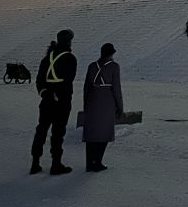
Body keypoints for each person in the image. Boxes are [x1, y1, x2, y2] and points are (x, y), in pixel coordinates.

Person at [30, 29, 77, 175]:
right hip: (61, 102)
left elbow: (39, 80)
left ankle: (35, 163)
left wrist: (46, 93)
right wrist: (58, 95)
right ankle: (56, 164)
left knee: (41, 129)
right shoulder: (70, 58)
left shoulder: (47, 58)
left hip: (46, 101)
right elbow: (68, 80)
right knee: (58, 133)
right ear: (69, 41)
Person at [82, 43, 123, 172]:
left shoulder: (92, 66)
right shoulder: (114, 67)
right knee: (104, 133)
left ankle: (89, 163)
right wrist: (119, 106)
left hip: (92, 102)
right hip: (107, 102)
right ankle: (97, 162)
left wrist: (86, 104)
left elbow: (86, 88)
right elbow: (116, 88)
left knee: (91, 134)